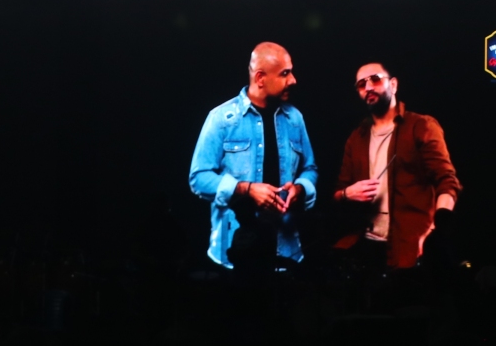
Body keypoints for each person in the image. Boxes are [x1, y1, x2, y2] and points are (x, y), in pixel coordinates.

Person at [189, 42, 318, 270]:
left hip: (286, 253)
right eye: (285, 73)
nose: (293, 80)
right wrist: (246, 189)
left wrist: (300, 188)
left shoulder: (295, 119)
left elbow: (310, 169)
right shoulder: (221, 118)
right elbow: (198, 178)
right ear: (260, 78)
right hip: (234, 256)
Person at [333, 61, 462, 270]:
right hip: (365, 248)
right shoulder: (356, 138)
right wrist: (348, 193)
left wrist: (435, 232)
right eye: (361, 84)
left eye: (375, 79)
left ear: (393, 85)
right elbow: (337, 193)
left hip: (409, 248)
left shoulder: (420, 126)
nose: (368, 87)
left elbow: (447, 181)